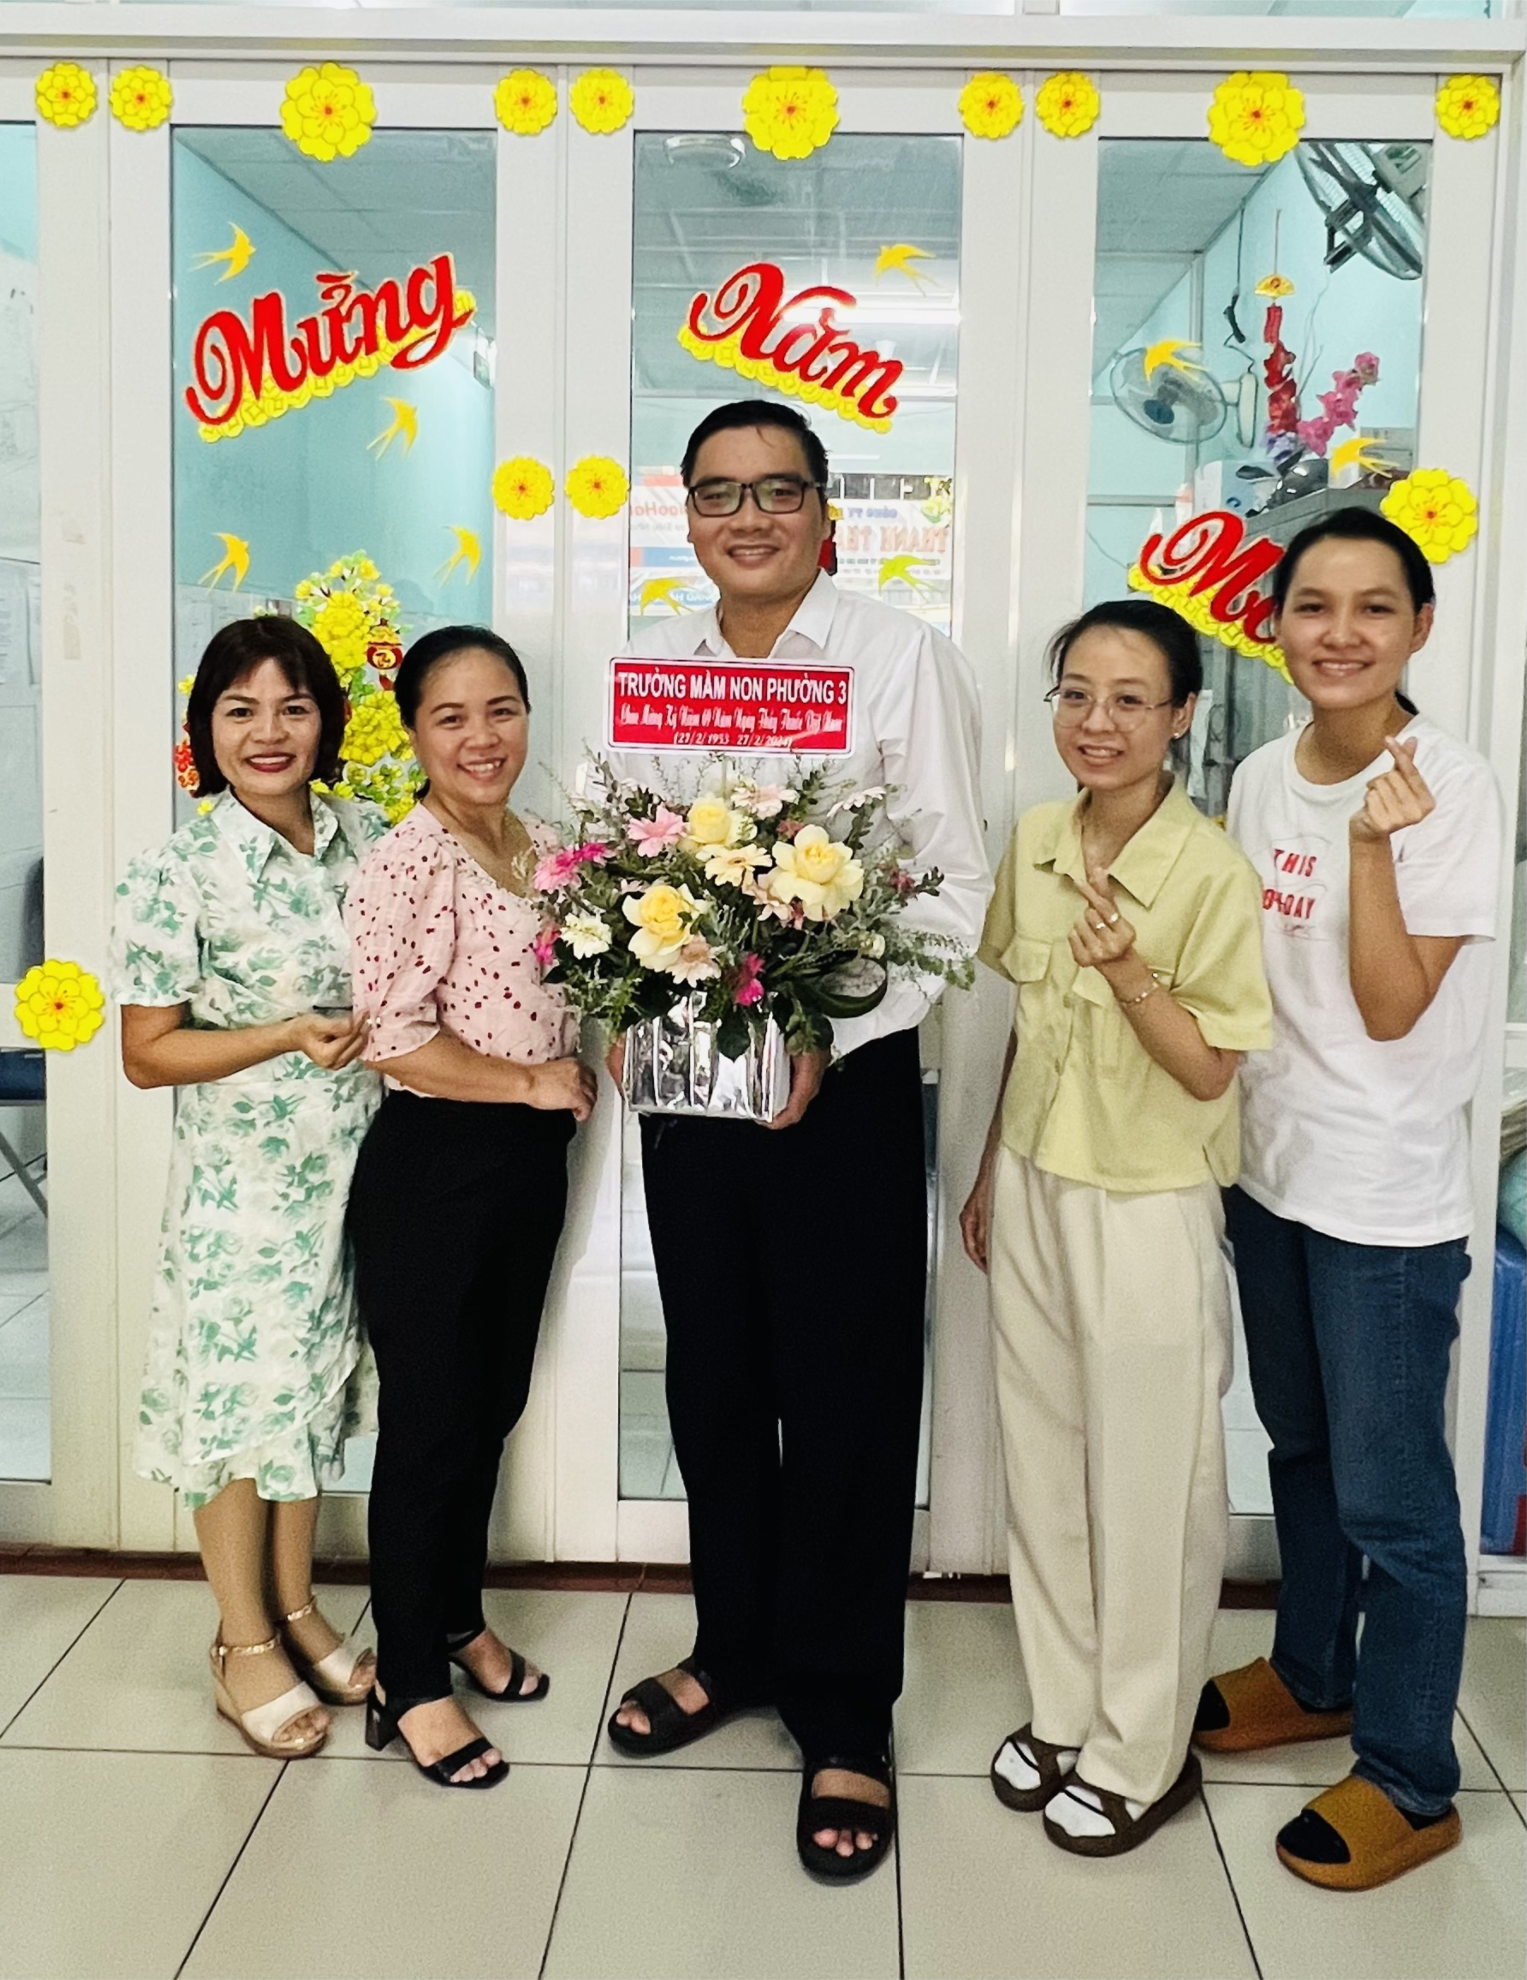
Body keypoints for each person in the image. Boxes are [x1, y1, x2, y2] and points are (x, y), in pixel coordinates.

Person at [602, 399, 989, 1880]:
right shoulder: (659, 664)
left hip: (846, 1082)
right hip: (695, 1087)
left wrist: (828, 1013)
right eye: (718, 493)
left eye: (777, 491)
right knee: (712, 1374)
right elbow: (626, 862)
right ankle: (737, 1645)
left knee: (844, 1390)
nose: (747, 517)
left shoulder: (897, 656)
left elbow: (949, 885)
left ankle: (842, 1704)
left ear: (827, 512)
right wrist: (626, 999)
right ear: (686, 515)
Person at [1198, 506, 1502, 1891]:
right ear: (1272, 626)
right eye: (1312, 606)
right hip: (1272, 1170)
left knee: (1395, 1503)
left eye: (1374, 607)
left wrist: (1372, 847)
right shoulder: (1263, 774)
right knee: (1300, 1449)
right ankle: (1311, 1672)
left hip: (1383, 1199)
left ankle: (1409, 1776)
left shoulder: (1451, 788)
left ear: (1418, 628)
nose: (1339, 634)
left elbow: (1386, 1007)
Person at [960, 599, 1272, 1856]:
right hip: (1034, 1179)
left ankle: (1141, 1750)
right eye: (1075, 695)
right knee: (1041, 1460)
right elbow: (1023, 1029)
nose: (1096, 723)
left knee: (1150, 1485)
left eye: (1129, 699)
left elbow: (1207, 1072)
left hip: (1144, 1203)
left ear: (1180, 715)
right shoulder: (1037, 838)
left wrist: (1130, 973)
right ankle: (1064, 1710)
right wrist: (988, 1172)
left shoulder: (1209, 871)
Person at [111, 617, 384, 1761]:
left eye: (292, 707)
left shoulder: (368, 838)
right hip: (243, 1193)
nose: (267, 732)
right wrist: (280, 1034)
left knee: (308, 1396)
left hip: (354, 1177)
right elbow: (147, 1053)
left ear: (326, 723)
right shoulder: (176, 872)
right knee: (235, 1406)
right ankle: (240, 1640)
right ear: (205, 731)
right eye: (239, 710)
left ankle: (298, 1607)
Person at [344, 625, 596, 1791]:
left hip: (525, 1164)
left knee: (487, 1405)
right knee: (429, 1425)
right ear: (412, 734)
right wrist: (528, 1082)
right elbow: (391, 1041)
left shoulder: (541, 843)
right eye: (449, 718)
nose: (480, 738)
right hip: (435, 1166)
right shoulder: (407, 863)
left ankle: (455, 1617)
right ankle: (406, 1679)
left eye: (500, 710)